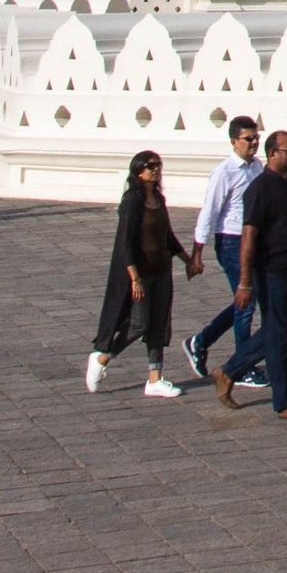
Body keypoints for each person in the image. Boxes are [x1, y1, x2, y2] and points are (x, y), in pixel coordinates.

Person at [210, 130, 287, 421]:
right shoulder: (260, 189)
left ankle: (228, 372)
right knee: (278, 337)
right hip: (269, 271)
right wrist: (244, 282)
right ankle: (286, 403)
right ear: (273, 153)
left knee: (277, 331)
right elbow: (248, 238)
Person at [86, 150, 193, 398]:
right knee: (139, 323)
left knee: (159, 323)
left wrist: (187, 260)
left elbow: (167, 235)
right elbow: (126, 242)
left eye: (158, 165)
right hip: (139, 273)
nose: (155, 169)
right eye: (150, 165)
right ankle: (102, 357)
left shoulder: (158, 198)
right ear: (138, 171)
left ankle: (155, 378)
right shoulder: (132, 201)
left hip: (161, 270)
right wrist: (134, 277)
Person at [182, 114, 268, 387]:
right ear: (234, 142)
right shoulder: (224, 172)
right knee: (246, 304)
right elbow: (210, 211)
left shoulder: (257, 167)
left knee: (245, 300)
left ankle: (201, 341)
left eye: (256, 138)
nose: (253, 143)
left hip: (253, 240)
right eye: (248, 139)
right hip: (231, 241)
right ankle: (241, 367)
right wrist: (197, 253)